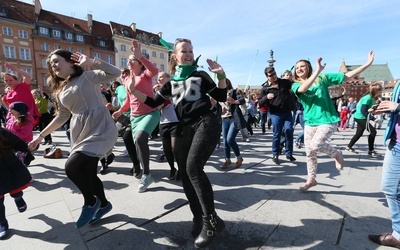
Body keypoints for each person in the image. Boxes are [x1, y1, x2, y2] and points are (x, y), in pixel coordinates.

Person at [126, 38, 226, 248]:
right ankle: (198, 217)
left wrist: (221, 75)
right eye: (184, 51)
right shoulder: (171, 83)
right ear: (175, 56)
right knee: (185, 173)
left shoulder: (200, 75)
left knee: (193, 168)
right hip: (186, 127)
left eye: (191, 50)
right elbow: (153, 102)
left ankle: (211, 222)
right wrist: (133, 91)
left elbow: (222, 95)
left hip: (206, 122)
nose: (189, 54)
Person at [28, 49, 119, 228]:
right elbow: (61, 117)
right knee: (89, 174)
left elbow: (115, 73)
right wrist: (40, 136)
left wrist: (91, 61)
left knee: (72, 167)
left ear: (70, 62)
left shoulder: (88, 76)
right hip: (81, 132)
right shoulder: (60, 90)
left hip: (100, 128)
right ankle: (104, 204)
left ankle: (90, 202)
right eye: (51, 64)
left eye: (56, 61)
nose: (53, 66)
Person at [291, 51, 374, 191]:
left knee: (316, 144)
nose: (299, 69)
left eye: (303, 66)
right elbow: (303, 88)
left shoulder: (322, 78)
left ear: (308, 68)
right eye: (297, 67)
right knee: (310, 152)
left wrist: (367, 64)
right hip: (310, 122)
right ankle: (312, 179)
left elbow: (346, 77)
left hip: (327, 119)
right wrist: (317, 71)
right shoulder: (294, 85)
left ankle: (337, 154)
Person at [112, 40, 160, 193]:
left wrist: (141, 56)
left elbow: (155, 71)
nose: (129, 61)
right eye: (129, 59)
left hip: (150, 113)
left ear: (139, 63)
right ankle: (144, 172)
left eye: (133, 59)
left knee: (140, 138)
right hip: (134, 116)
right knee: (138, 144)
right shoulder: (126, 80)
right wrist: (120, 111)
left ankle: (146, 174)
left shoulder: (145, 74)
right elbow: (128, 99)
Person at [368, 84, 400, 248]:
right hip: (396, 141)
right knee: (392, 189)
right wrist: (388, 111)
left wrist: (398, 107)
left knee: (392, 189)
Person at [258, 66, 296, 165]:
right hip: (275, 113)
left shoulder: (284, 82)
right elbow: (260, 102)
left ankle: (289, 153)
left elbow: (295, 85)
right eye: (271, 75)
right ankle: (275, 154)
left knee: (289, 131)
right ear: (267, 77)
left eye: (274, 74)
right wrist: (266, 97)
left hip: (287, 112)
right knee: (277, 134)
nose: (274, 76)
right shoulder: (265, 88)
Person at [0, 127, 32, 239]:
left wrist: (28, 146)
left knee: (16, 192)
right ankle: (2, 224)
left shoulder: (2, 132)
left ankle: (18, 199)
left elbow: (18, 143)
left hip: (9, 168)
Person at [155, 71, 181, 180]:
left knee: (176, 148)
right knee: (167, 149)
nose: (159, 79)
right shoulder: (158, 92)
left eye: (161, 77)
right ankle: (172, 169)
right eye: (158, 78)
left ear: (168, 78)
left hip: (176, 121)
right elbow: (157, 107)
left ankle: (181, 169)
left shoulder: (175, 88)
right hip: (163, 122)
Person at [345, 82, 382, 156]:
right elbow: (363, 111)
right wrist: (373, 119)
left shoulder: (371, 97)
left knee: (359, 133)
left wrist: (376, 110)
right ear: (376, 91)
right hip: (360, 117)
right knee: (373, 132)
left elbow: (369, 109)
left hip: (359, 116)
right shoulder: (367, 98)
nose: (381, 92)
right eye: (380, 91)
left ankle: (349, 147)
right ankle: (371, 151)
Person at [220, 79, 245, 169]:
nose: (222, 84)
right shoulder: (218, 94)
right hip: (224, 119)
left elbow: (242, 100)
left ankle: (239, 158)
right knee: (225, 142)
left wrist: (234, 101)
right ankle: (227, 160)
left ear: (227, 83)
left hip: (233, 118)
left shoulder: (233, 92)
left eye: (223, 82)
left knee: (230, 139)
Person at [6, 101, 35, 166]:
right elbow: (8, 127)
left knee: (18, 162)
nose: (9, 111)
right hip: (13, 142)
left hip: (23, 144)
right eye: (9, 109)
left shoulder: (27, 121)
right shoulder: (11, 118)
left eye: (12, 109)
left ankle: (23, 174)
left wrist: (11, 133)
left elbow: (24, 134)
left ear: (20, 111)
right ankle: (28, 157)